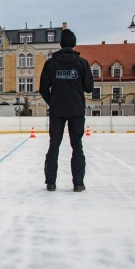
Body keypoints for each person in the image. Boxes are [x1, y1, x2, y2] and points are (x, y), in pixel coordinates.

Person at [39, 28, 94, 192]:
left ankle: (51, 183)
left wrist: (53, 102)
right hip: (76, 111)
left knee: (54, 145)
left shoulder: (50, 63)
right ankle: (78, 184)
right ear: (74, 43)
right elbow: (89, 88)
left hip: (57, 112)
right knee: (77, 145)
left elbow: (43, 88)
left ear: (61, 44)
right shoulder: (82, 63)